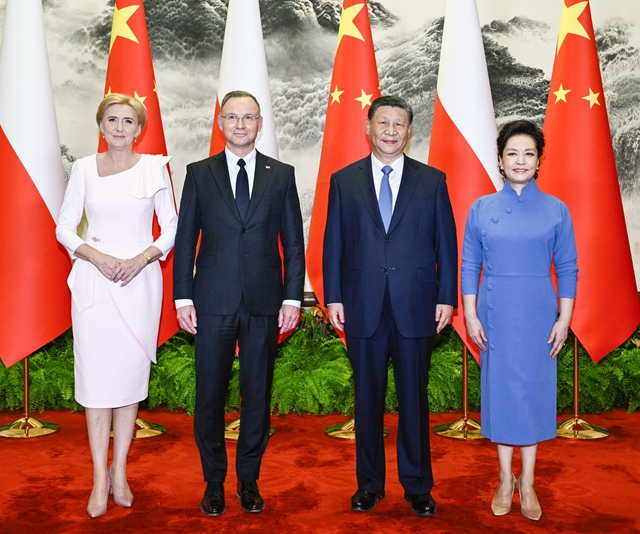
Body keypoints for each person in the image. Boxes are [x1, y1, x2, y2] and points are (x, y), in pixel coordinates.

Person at [323, 95, 457, 516]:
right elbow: (333, 244)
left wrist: (446, 297)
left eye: (399, 124)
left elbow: (446, 244)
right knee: (367, 400)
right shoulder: (344, 180)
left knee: (414, 400)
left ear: (409, 131)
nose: (391, 131)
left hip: (416, 305)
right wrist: (333, 296)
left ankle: (418, 486)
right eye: (383, 122)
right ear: (369, 127)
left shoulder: (432, 180)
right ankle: (369, 484)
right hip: (362, 305)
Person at [173, 90, 305, 516]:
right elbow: (185, 239)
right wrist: (183, 297)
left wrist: (292, 297)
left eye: (248, 118)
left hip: (265, 301)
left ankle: (249, 480)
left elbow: (294, 243)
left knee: (257, 395)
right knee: (209, 394)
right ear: (221, 123)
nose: (241, 125)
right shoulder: (199, 173)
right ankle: (213, 481)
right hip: (211, 301)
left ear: (260, 124)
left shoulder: (281, 174)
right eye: (232, 117)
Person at [56, 93, 178, 518]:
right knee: (96, 382)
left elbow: (170, 228)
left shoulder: (154, 168)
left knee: (128, 380)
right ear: (101, 125)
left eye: (128, 121)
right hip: (94, 280)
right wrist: (97, 256)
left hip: (138, 281)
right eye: (112, 120)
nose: (120, 127)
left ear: (139, 129)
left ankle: (120, 471)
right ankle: (98, 477)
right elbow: (65, 227)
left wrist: (140, 259)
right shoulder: (83, 168)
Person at [461, 120, 578, 521]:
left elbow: (568, 267)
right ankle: (504, 479)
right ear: (500, 160)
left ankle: (527, 482)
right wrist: (470, 313)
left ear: (539, 161)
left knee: (532, 392)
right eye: (512, 153)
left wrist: (564, 318)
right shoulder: (481, 208)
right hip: (494, 312)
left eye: (529, 153)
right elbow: (469, 265)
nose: (520, 160)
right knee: (503, 393)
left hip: (538, 314)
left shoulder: (556, 209)